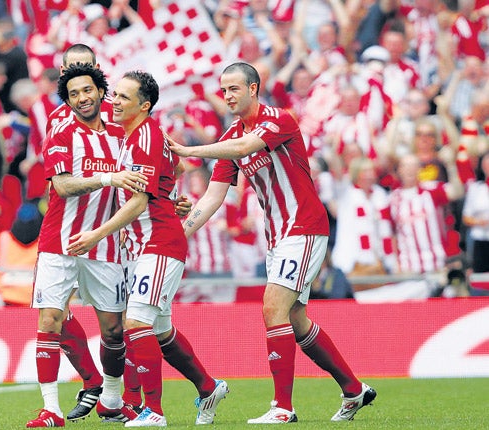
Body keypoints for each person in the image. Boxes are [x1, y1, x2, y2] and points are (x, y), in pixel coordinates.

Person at [168, 62, 376, 424]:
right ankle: (354, 390)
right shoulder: (232, 135)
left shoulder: (279, 119)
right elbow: (213, 197)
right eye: (223, 90)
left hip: (305, 227)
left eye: (234, 88)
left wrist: (188, 151)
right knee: (296, 320)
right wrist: (179, 233)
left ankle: (283, 408)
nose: (227, 96)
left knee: (272, 308)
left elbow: (249, 145)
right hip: (279, 235)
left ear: (253, 89)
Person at [67, 70, 229, 427]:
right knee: (159, 332)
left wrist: (96, 235)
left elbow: (139, 202)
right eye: (116, 95)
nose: (115, 101)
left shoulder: (144, 138)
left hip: (158, 242)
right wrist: (172, 197)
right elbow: (173, 168)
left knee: (136, 323)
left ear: (145, 105)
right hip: (143, 244)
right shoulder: (137, 136)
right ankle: (207, 387)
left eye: (124, 97)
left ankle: (152, 411)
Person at [26, 63, 149, 428]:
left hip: (107, 246)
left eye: (87, 90)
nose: (82, 98)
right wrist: (107, 176)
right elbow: (62, 187)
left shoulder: (121, 133)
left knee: (114, 330)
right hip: (59, 243)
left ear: (101, 92)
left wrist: (171, 200)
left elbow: (141, 177)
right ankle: (51, 410)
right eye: (74, 94)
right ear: (68, 100)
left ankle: (111, 399)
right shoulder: (61, 134)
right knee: (50, 319)